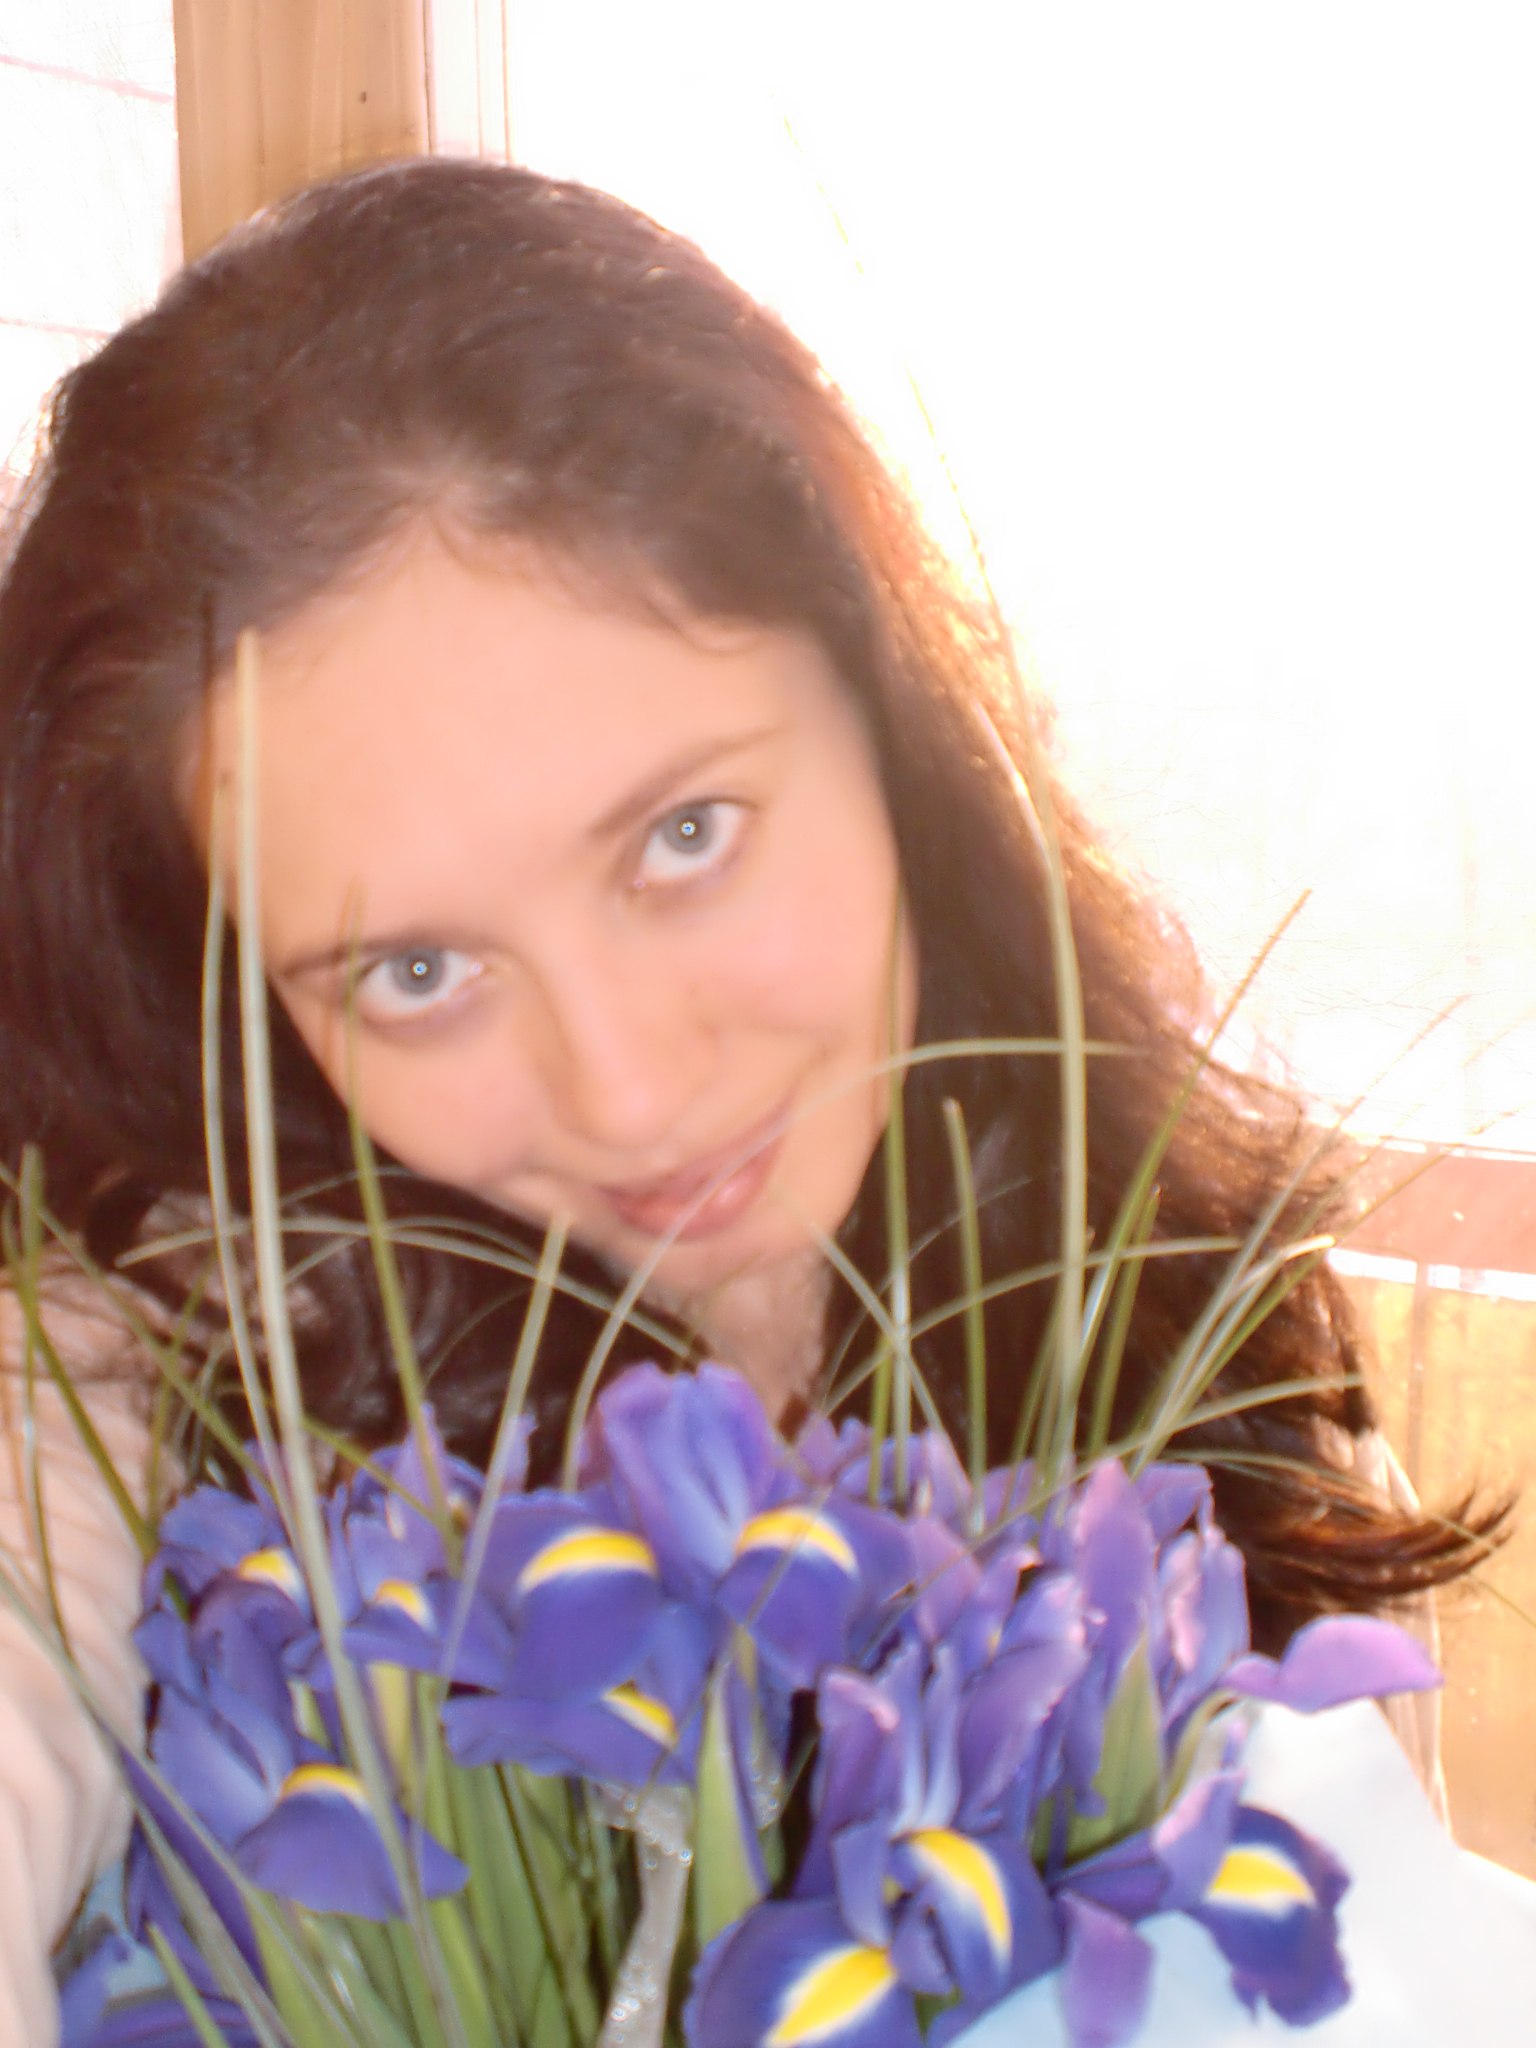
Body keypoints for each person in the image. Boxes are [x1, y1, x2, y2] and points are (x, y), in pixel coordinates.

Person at [0, 158, 1496, 2044]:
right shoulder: (157, 1360)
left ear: (887, 720)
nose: (630, 1092)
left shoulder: (1196, 1314)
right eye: (416, 971)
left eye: (684, 836)